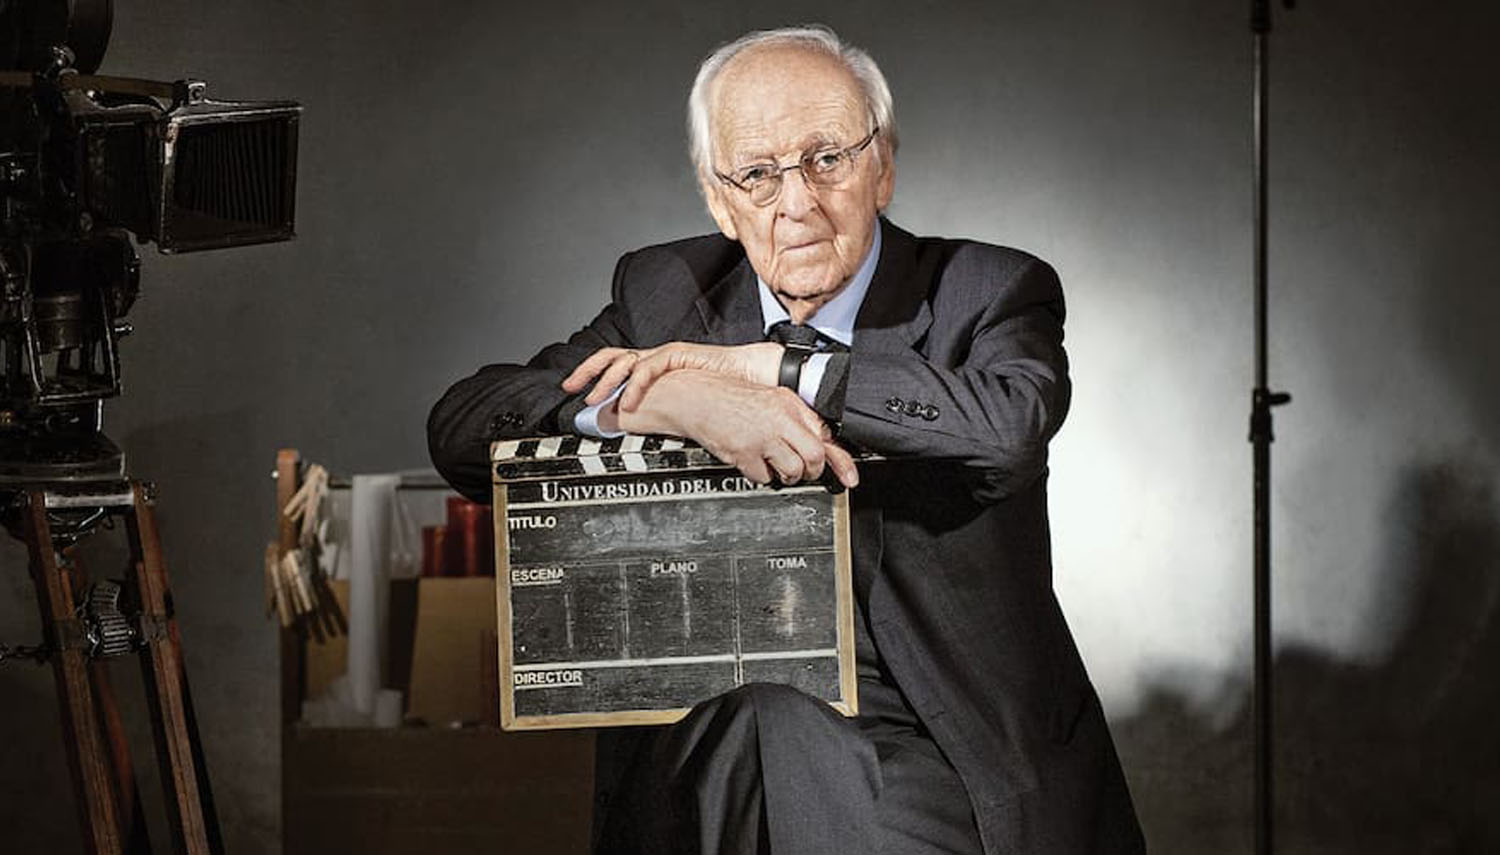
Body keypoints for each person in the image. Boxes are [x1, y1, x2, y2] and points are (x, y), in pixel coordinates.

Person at [428, 25, 1144, 855]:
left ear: (883, 166)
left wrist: (781, 370)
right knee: (752, 729)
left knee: (772, 744)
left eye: (827, 158)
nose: (797, 203)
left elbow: (1009, 426)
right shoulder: (666, 296)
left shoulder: (987, 289)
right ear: (718, 199)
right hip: (718, 740)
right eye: (759, 174)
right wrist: (672, 400)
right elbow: (464, 425)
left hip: (937, 743)